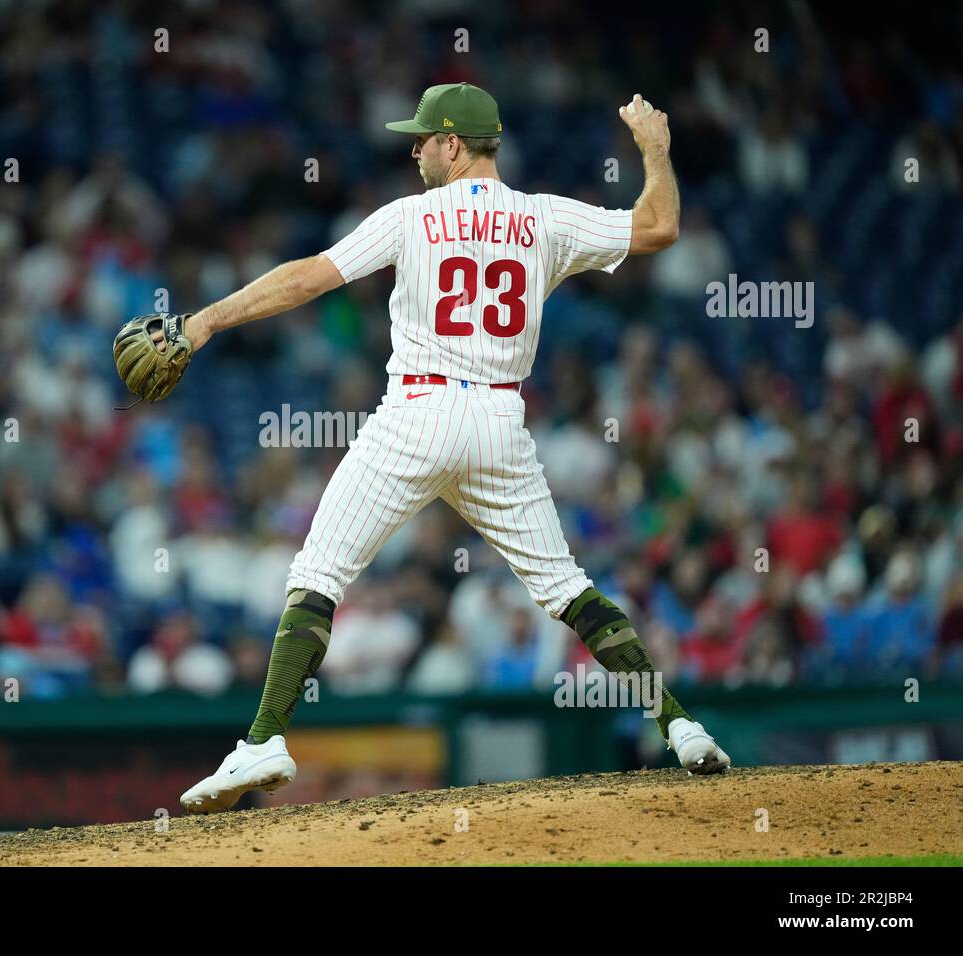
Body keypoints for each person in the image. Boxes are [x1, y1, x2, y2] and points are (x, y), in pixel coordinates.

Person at [177, 83, 730, 813]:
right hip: (500, 420)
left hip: (417, 410)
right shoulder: (543, 217)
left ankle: (264, 742)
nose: (412, 150)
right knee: (565, 587)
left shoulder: (411, 217)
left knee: (319, 570)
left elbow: (310, 276)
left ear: (451, 143)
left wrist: (206, 322)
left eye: (421, 138)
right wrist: (656, 150)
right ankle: (681, 724)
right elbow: (659, 227)